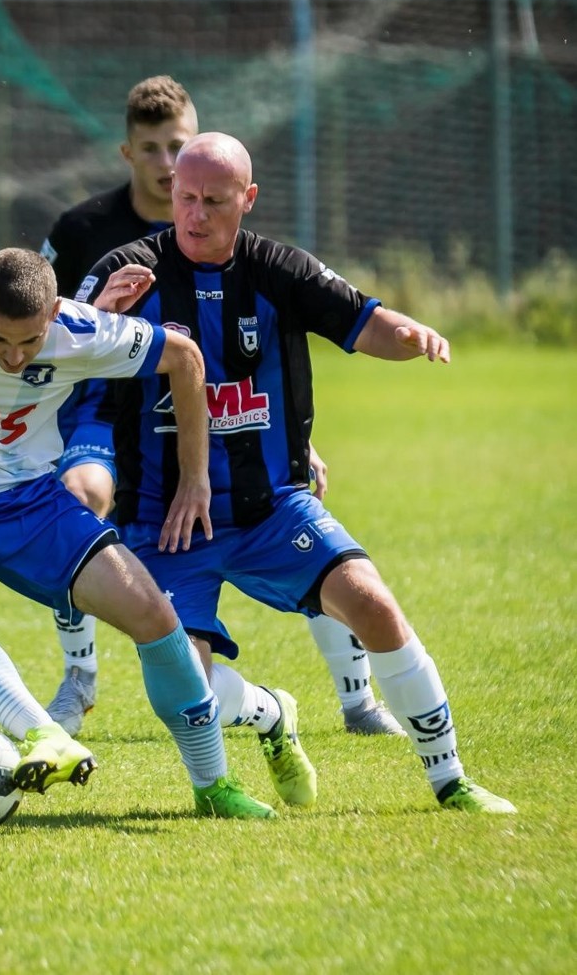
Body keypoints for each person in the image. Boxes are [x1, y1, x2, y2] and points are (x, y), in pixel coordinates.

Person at [79, 133, 517, 815]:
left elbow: (362, 322)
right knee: (180, 685)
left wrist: (411, 335)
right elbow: (59, 350)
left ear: (247, 200)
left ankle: (450, 779)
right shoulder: (126, 271)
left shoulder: (279, 270)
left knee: (372, 602)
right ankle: (267, 716)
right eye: (184, 198)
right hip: (162, 521)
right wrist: (96, 317)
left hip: (272, 506)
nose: (194, 214)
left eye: (214, 201)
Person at [0, 246, 302, 819]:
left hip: (31, 505)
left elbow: (186, 360)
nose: (14, 357)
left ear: (55, 316)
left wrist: (195, 478)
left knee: (154, 616)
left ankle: (214, 787)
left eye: (30, 342)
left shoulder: (80, 330)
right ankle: (45, 735)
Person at [41, 75, 401, 743]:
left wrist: (294, 440)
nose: (164, 164)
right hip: (102, 413)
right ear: (128, 154)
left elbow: (257, 359)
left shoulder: (238, 245)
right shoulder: (86, 231)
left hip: (222, 413)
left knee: (299, 509)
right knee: (82, 497)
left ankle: (357, 699)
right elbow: (37, 323)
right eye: (150, 150)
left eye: (175, 148)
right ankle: (78, 677)